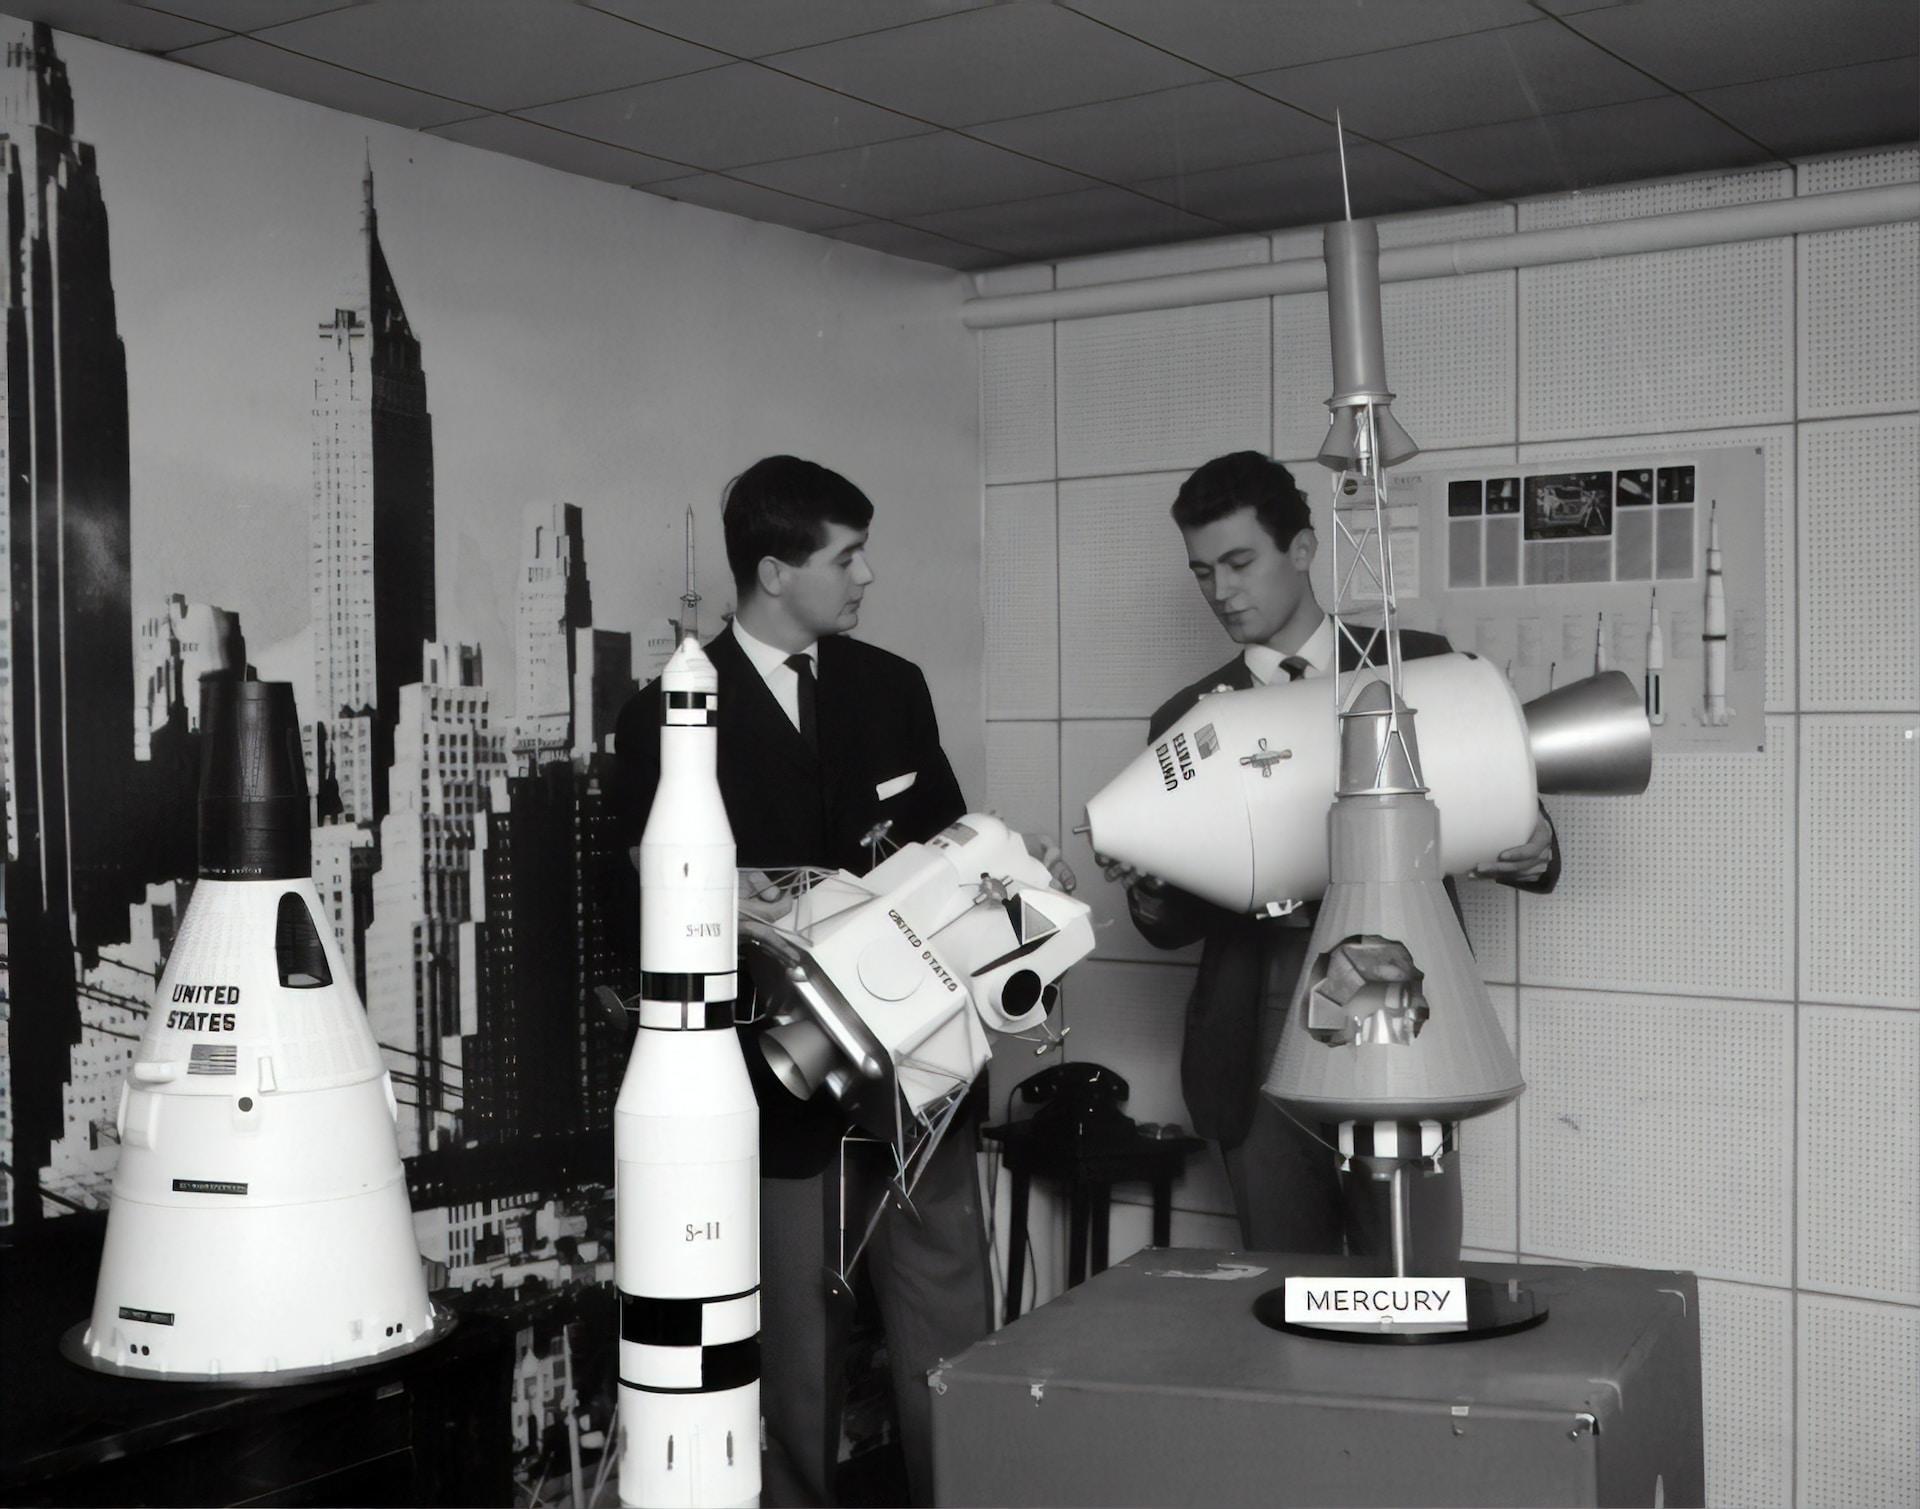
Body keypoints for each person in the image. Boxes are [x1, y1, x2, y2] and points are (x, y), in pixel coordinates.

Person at [613, 456, 988, 1508]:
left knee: (953, 1333)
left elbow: (949, 845)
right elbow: (654, 909)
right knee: (793, 1353)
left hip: (923, 1071)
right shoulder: (663, 717)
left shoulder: (893, 686)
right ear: (775, 572)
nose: (867, 576)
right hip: (776, 1087)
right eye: (846, 556)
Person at [1115, 450, 1558, 1269]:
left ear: (1305, 548)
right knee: (1289, 1287)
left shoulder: (1415, 665)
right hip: (1257, 1021)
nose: (1221, 590)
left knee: (1414, 1277)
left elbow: (1502, 789)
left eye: (1239, 562)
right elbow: (1169, 925)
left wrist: (1536, 844)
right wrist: (1150, 888)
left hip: (1398, 996)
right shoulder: (1183, 721)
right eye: (1203, 571)